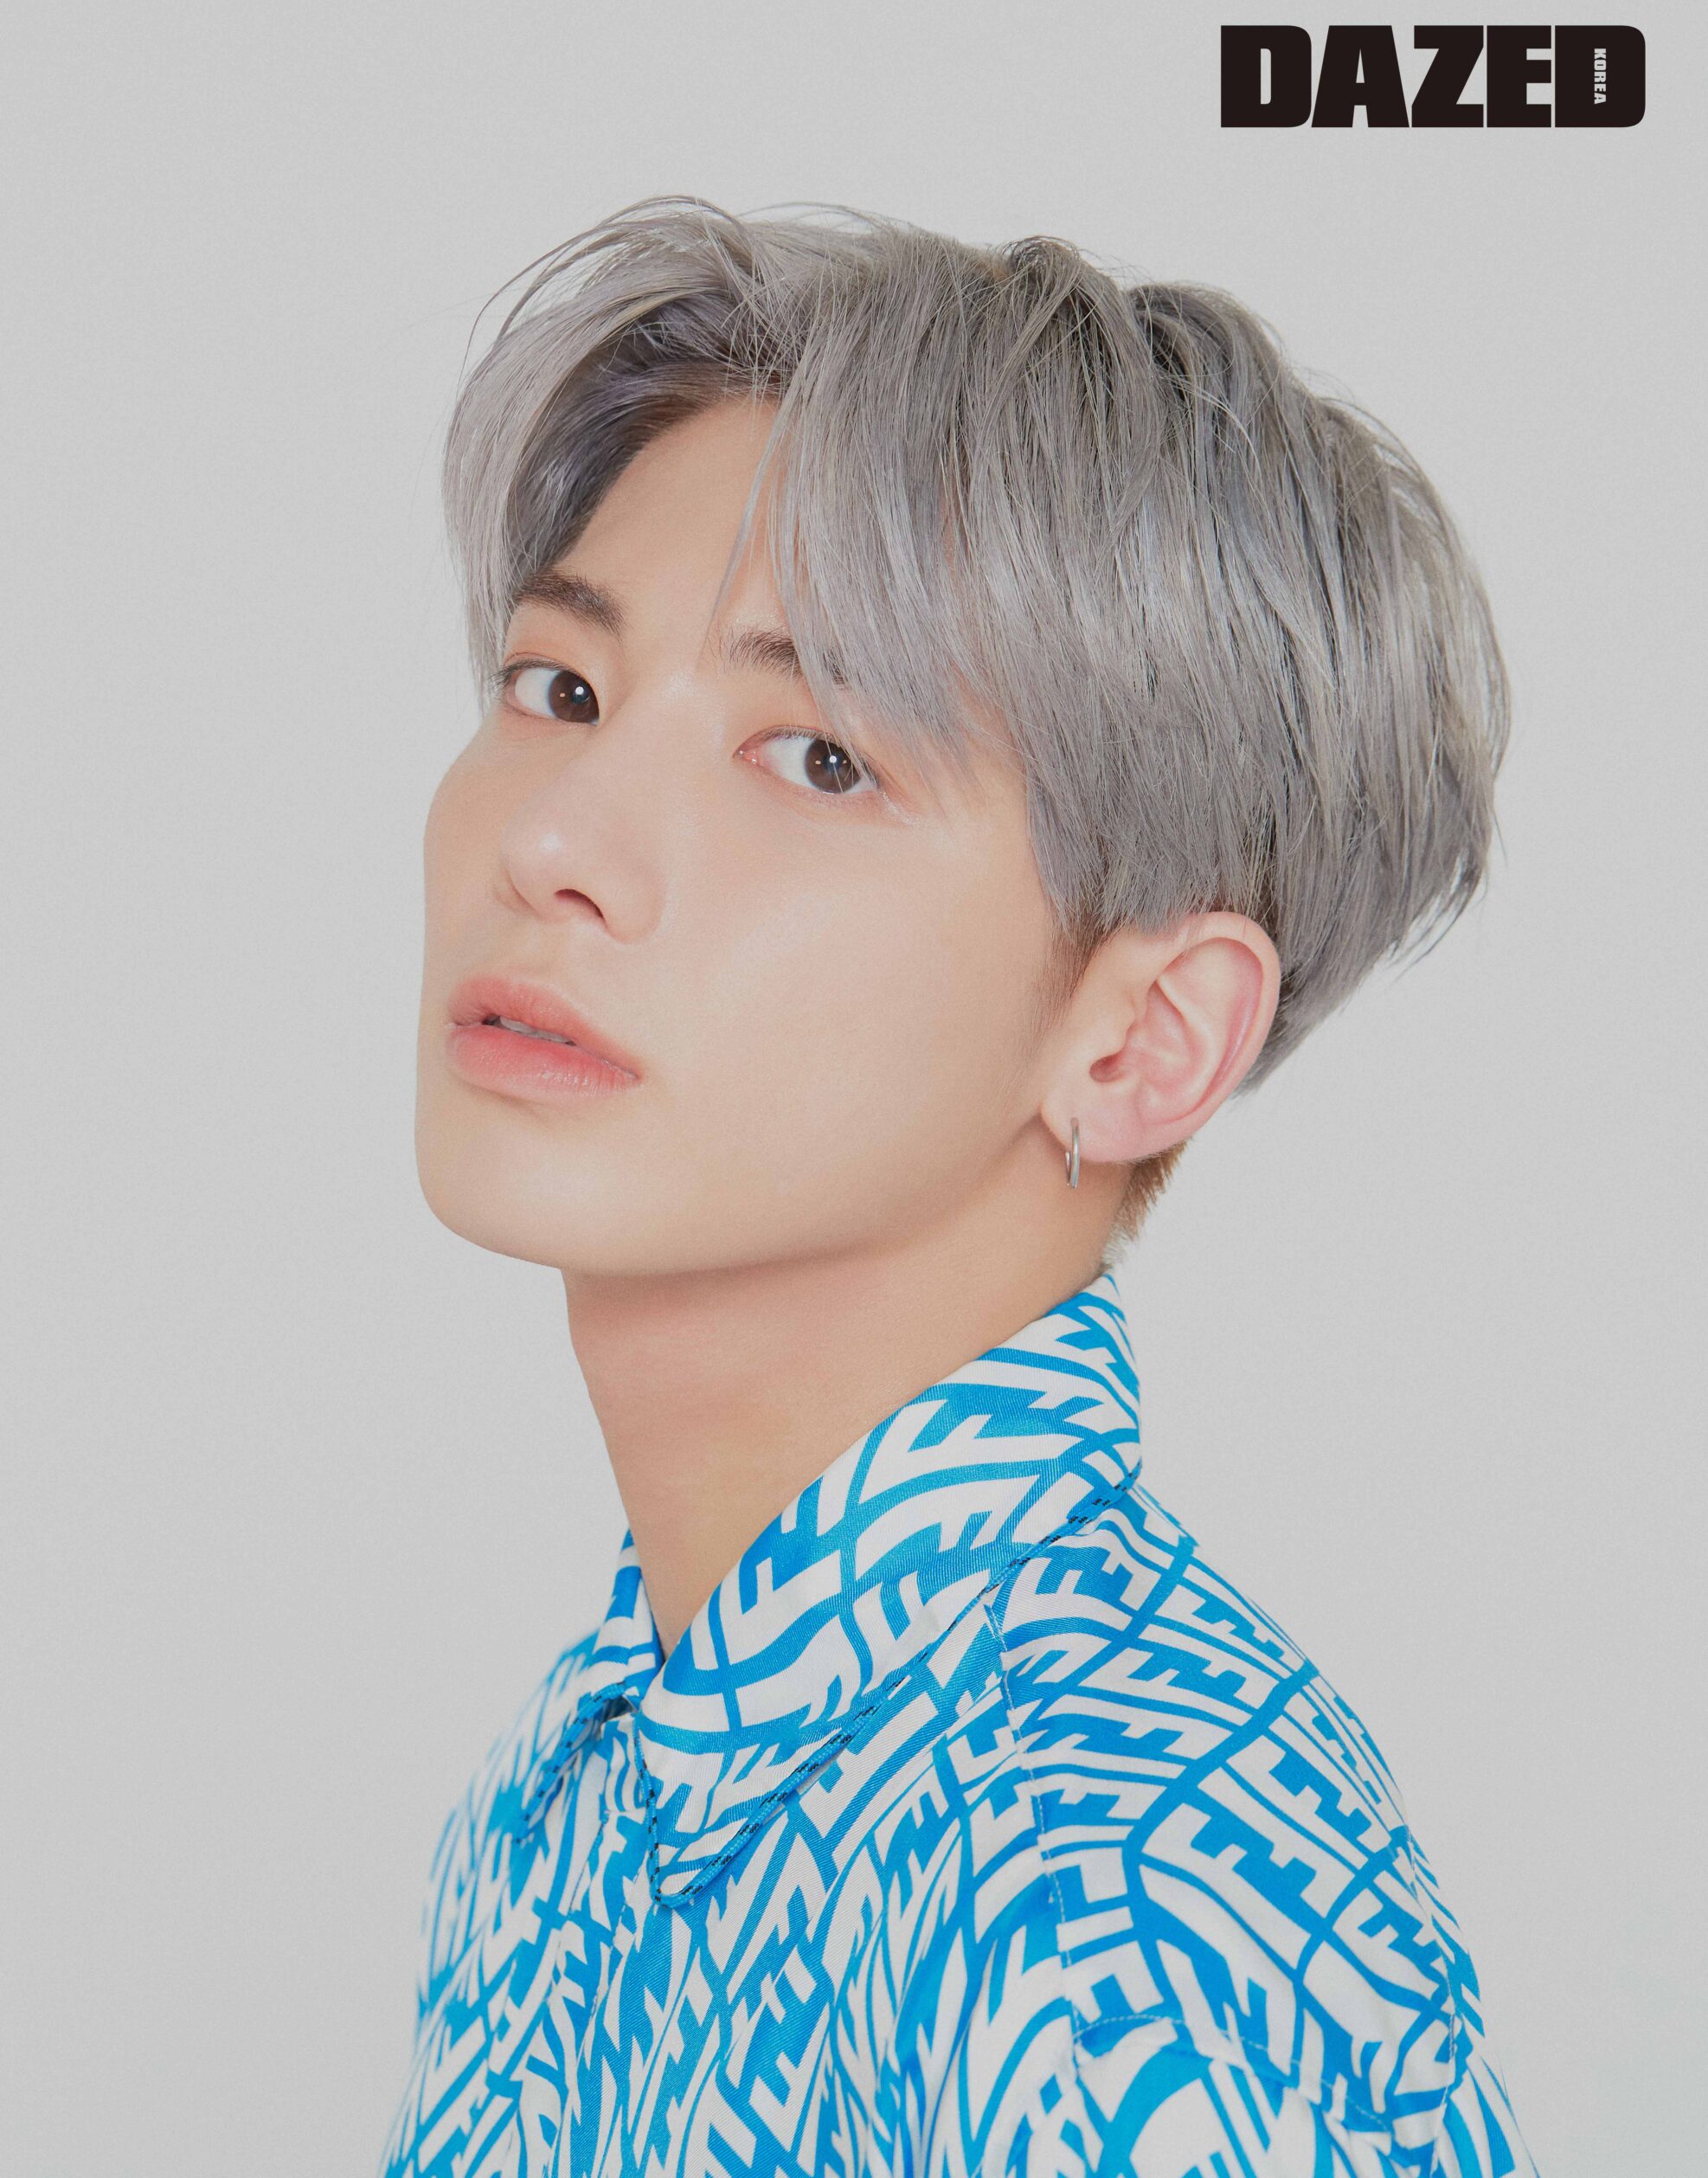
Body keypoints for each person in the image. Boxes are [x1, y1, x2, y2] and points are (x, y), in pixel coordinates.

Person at [382, 194, 1537, 2176]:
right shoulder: (571, 1798)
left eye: (818, 756)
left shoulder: (1115, 1897)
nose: (555, 836)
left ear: (1143, 1035)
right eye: (560, 687)